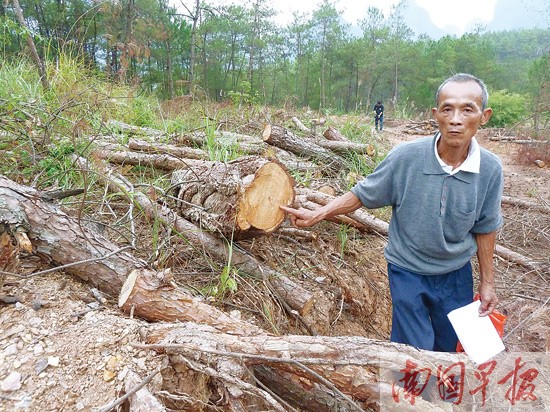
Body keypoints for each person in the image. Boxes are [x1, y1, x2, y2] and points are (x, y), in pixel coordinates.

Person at [281, 73, 503, 352]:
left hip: (455, 273)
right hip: (407, 269)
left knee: (450, 345)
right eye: (448, 109)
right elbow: (362, 194)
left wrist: (488, 283)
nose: (456, 119)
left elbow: (485, 227)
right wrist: (318, 214)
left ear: (484, 116)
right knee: (414, 347)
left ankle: (445, 396)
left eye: (467, 109)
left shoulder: (490, 169)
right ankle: (409, 394)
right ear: (435, 115)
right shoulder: (406, 158)